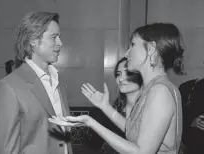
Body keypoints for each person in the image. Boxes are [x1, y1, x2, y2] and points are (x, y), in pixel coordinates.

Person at [50, 23, 184, 154]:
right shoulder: (152, 88)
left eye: (132, 45)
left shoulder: (159, 91)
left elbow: (141, 152)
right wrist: (105, 107)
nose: (126, 53)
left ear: (151, 49)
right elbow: (132, 131)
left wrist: (91, 123)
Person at [0, 12, 72, 154]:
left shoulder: (59, 81)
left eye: (59, 37)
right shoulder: (8, 87)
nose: (60, 43)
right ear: (34, 41)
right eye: (54, 37)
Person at [101, 57, 143, 154]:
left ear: (141, 76)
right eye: (118, 74)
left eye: (128, 73)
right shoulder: (118, 104)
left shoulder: (149, 104)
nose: (120, 79)